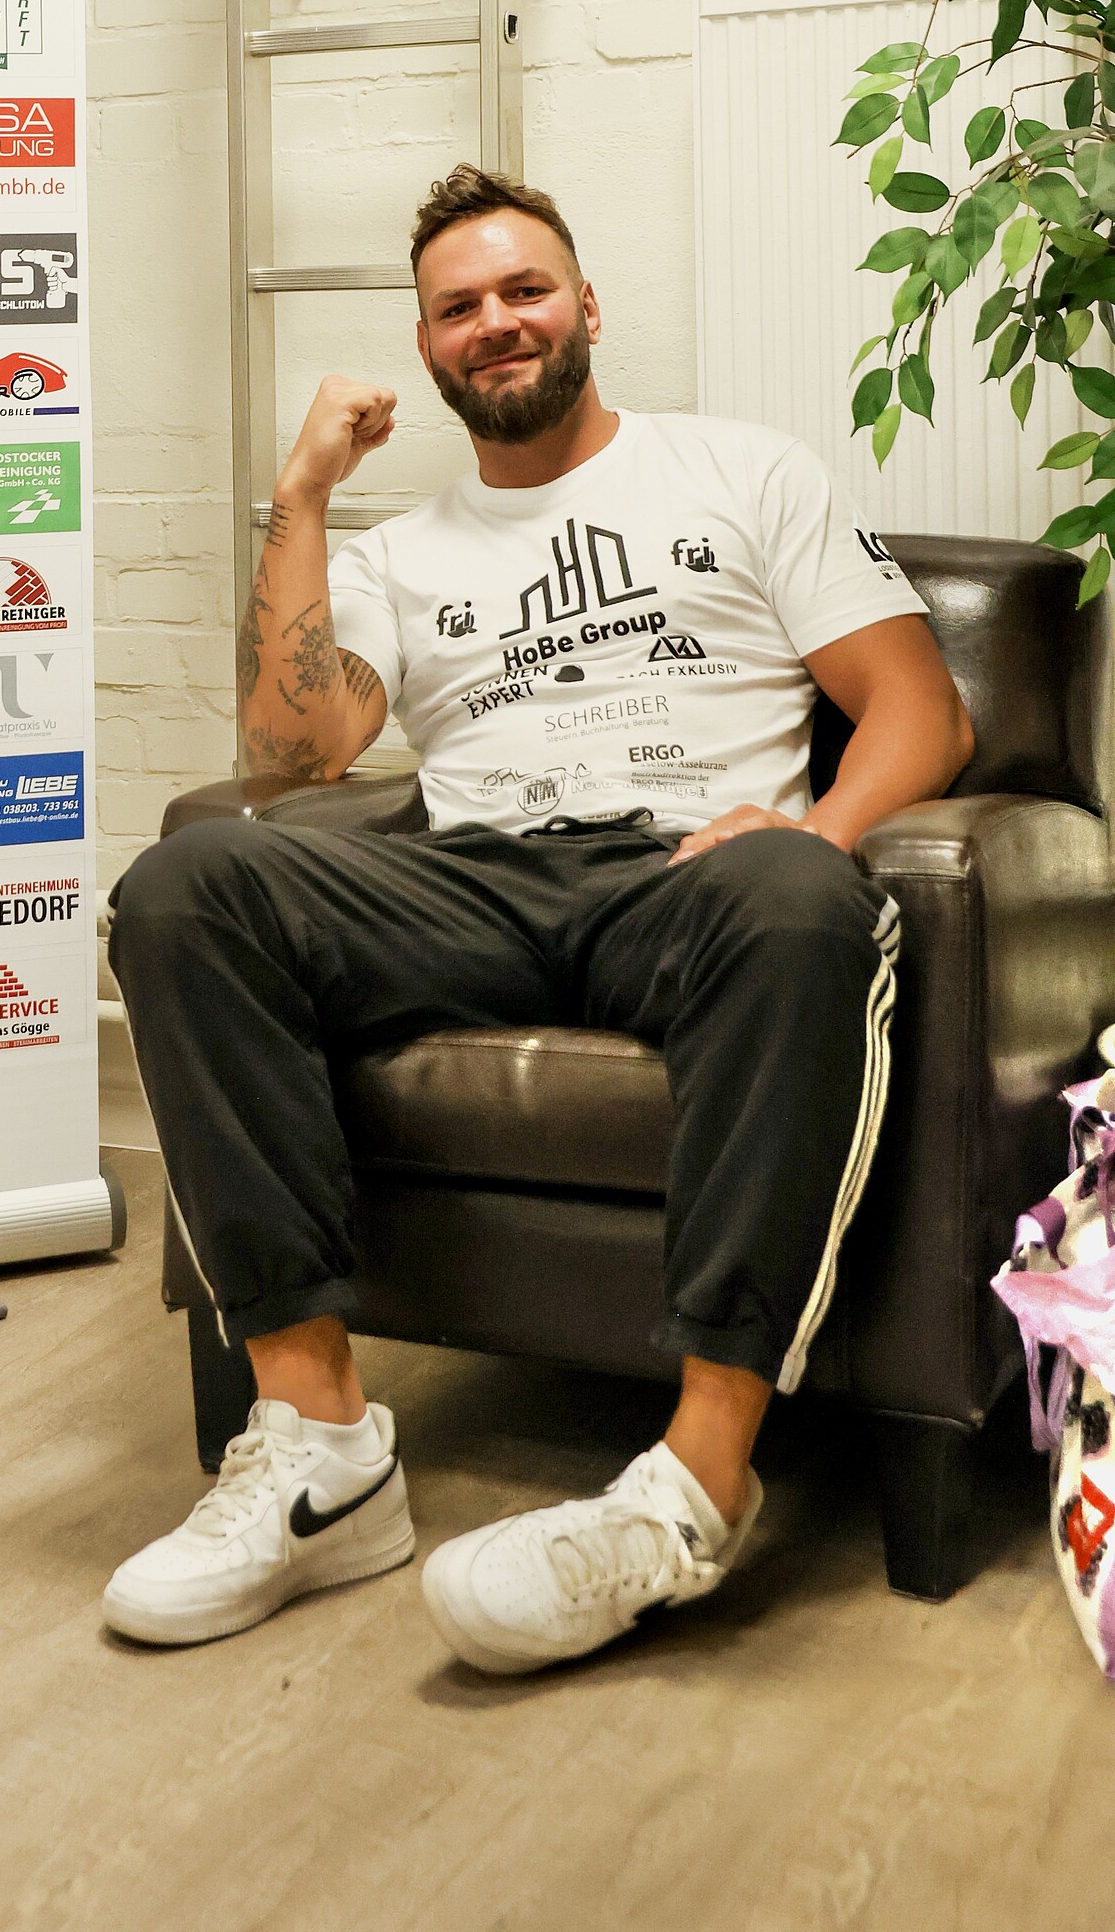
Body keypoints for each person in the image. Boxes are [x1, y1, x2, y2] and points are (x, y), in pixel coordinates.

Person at [104, 165, 973, 1672]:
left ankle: (693, 1486)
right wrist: (301, 497)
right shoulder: (398, 554)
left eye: (526, 291)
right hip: (474, 879)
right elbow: (293, 754)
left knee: (797, 896)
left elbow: (921, 709)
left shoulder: (743, 473)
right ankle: (320, 1456)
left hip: (689, 873)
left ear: (587, 308)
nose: (497, 323)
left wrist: (816, 831)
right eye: (460, 308)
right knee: (185, 885)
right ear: (428, 348)